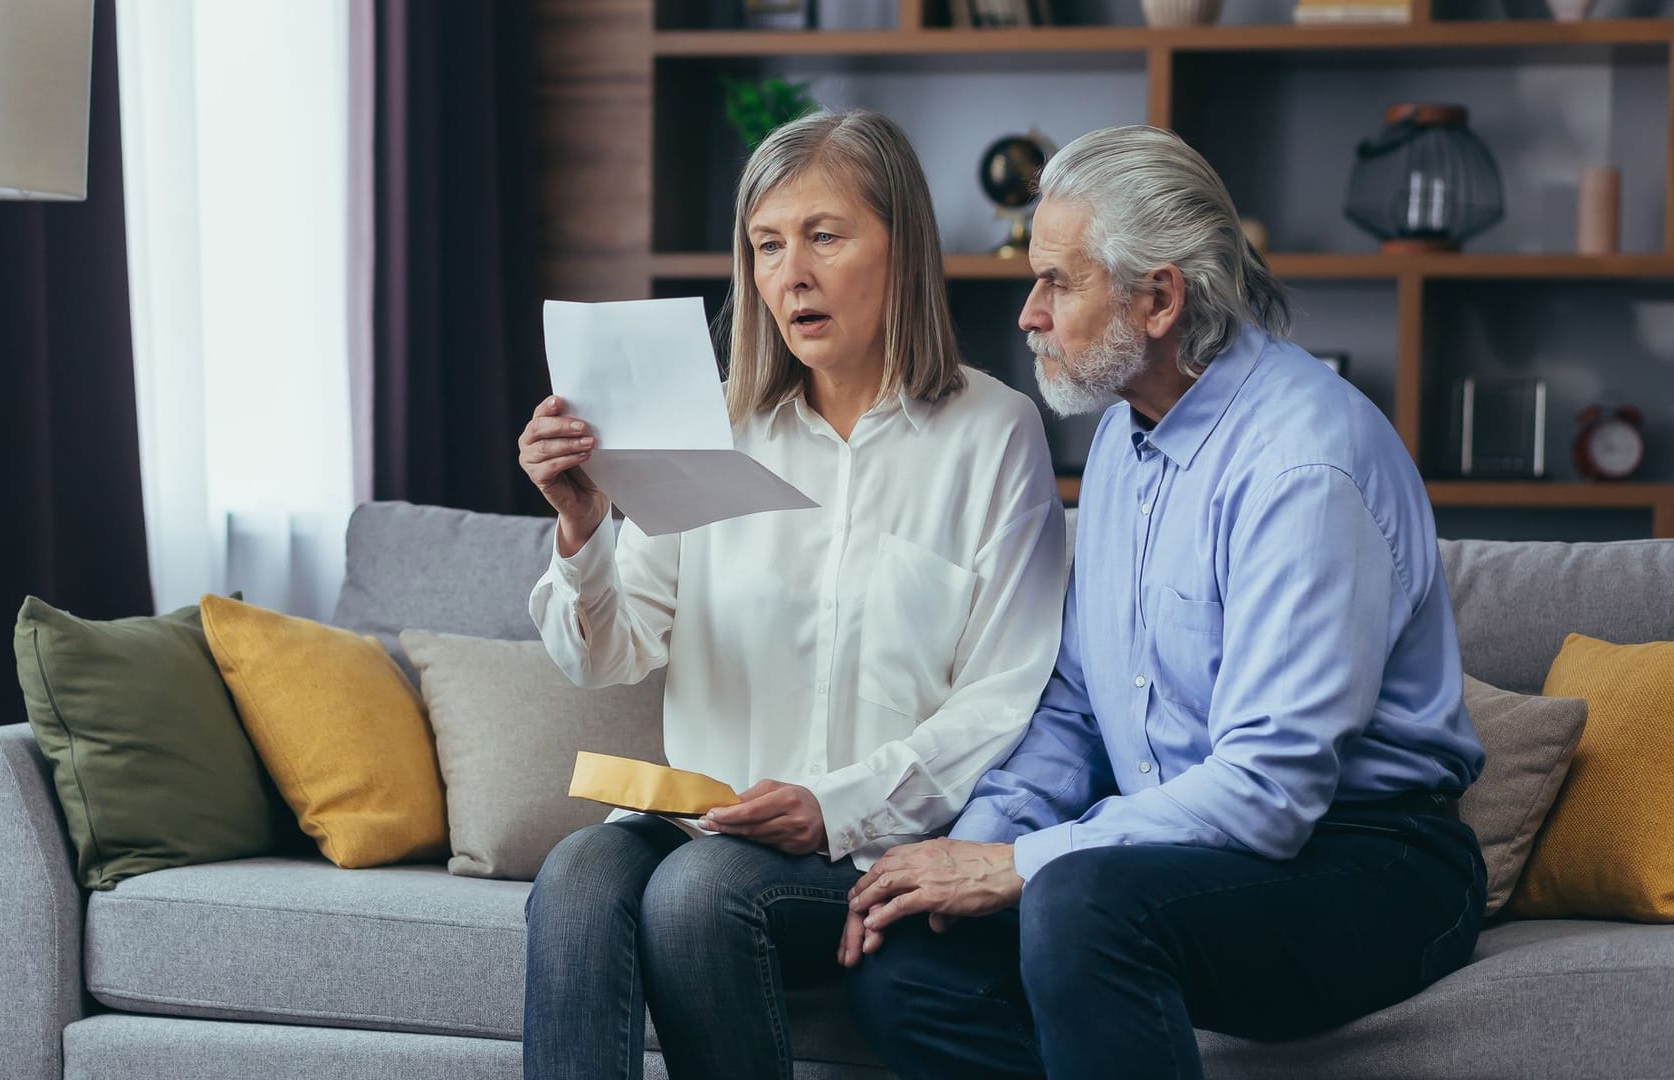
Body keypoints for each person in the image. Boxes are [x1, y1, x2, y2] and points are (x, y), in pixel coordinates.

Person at [837, 125, 1490, 1080]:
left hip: (1372, 862)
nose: (1027, 314)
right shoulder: (1120, 438)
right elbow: (1070, 704)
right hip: (1185, 853)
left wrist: (1020, 867)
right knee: (909, 958)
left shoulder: (1303, 466)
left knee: (1077, 904)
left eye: (1058, 283)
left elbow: (1271, 793)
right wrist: (965, 856)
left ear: (1158, 298)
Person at [516, 109, 1070, 1080]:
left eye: (824, 236)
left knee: (695, 898)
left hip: (860, 846)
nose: (791, 273)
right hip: (704, 820)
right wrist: (582, 526)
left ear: (902, 246)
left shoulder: (995, 433)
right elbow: (607, 651)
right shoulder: (715, 426)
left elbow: (1005, 695)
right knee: (576, 876)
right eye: (768, 245)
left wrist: (832, 805)